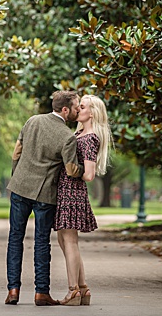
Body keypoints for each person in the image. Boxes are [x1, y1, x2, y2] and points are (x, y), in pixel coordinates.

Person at [5, 91, 84, 306]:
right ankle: (41, 293)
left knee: (15, 238)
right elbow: (71, 169)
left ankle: (13, 290)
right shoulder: (67, 136)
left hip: (20, 188)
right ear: (65, 110)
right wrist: (84, 170)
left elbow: (17, 152)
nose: (78, 110)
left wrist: (17, 177)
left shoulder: (32, 121)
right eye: (76, 106)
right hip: (45, 193)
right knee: (41, 242)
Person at [54, 95, 113, 305]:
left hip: (72, 192)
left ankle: (73, 291)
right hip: (66, 191)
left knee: (70, 241)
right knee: (64, 240)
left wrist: (72, 170)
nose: (78, 109)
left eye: (82, 106)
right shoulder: (79, 134)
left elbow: (89, 174)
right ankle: (83, 288)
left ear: (93, 113)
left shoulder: (90, 138)